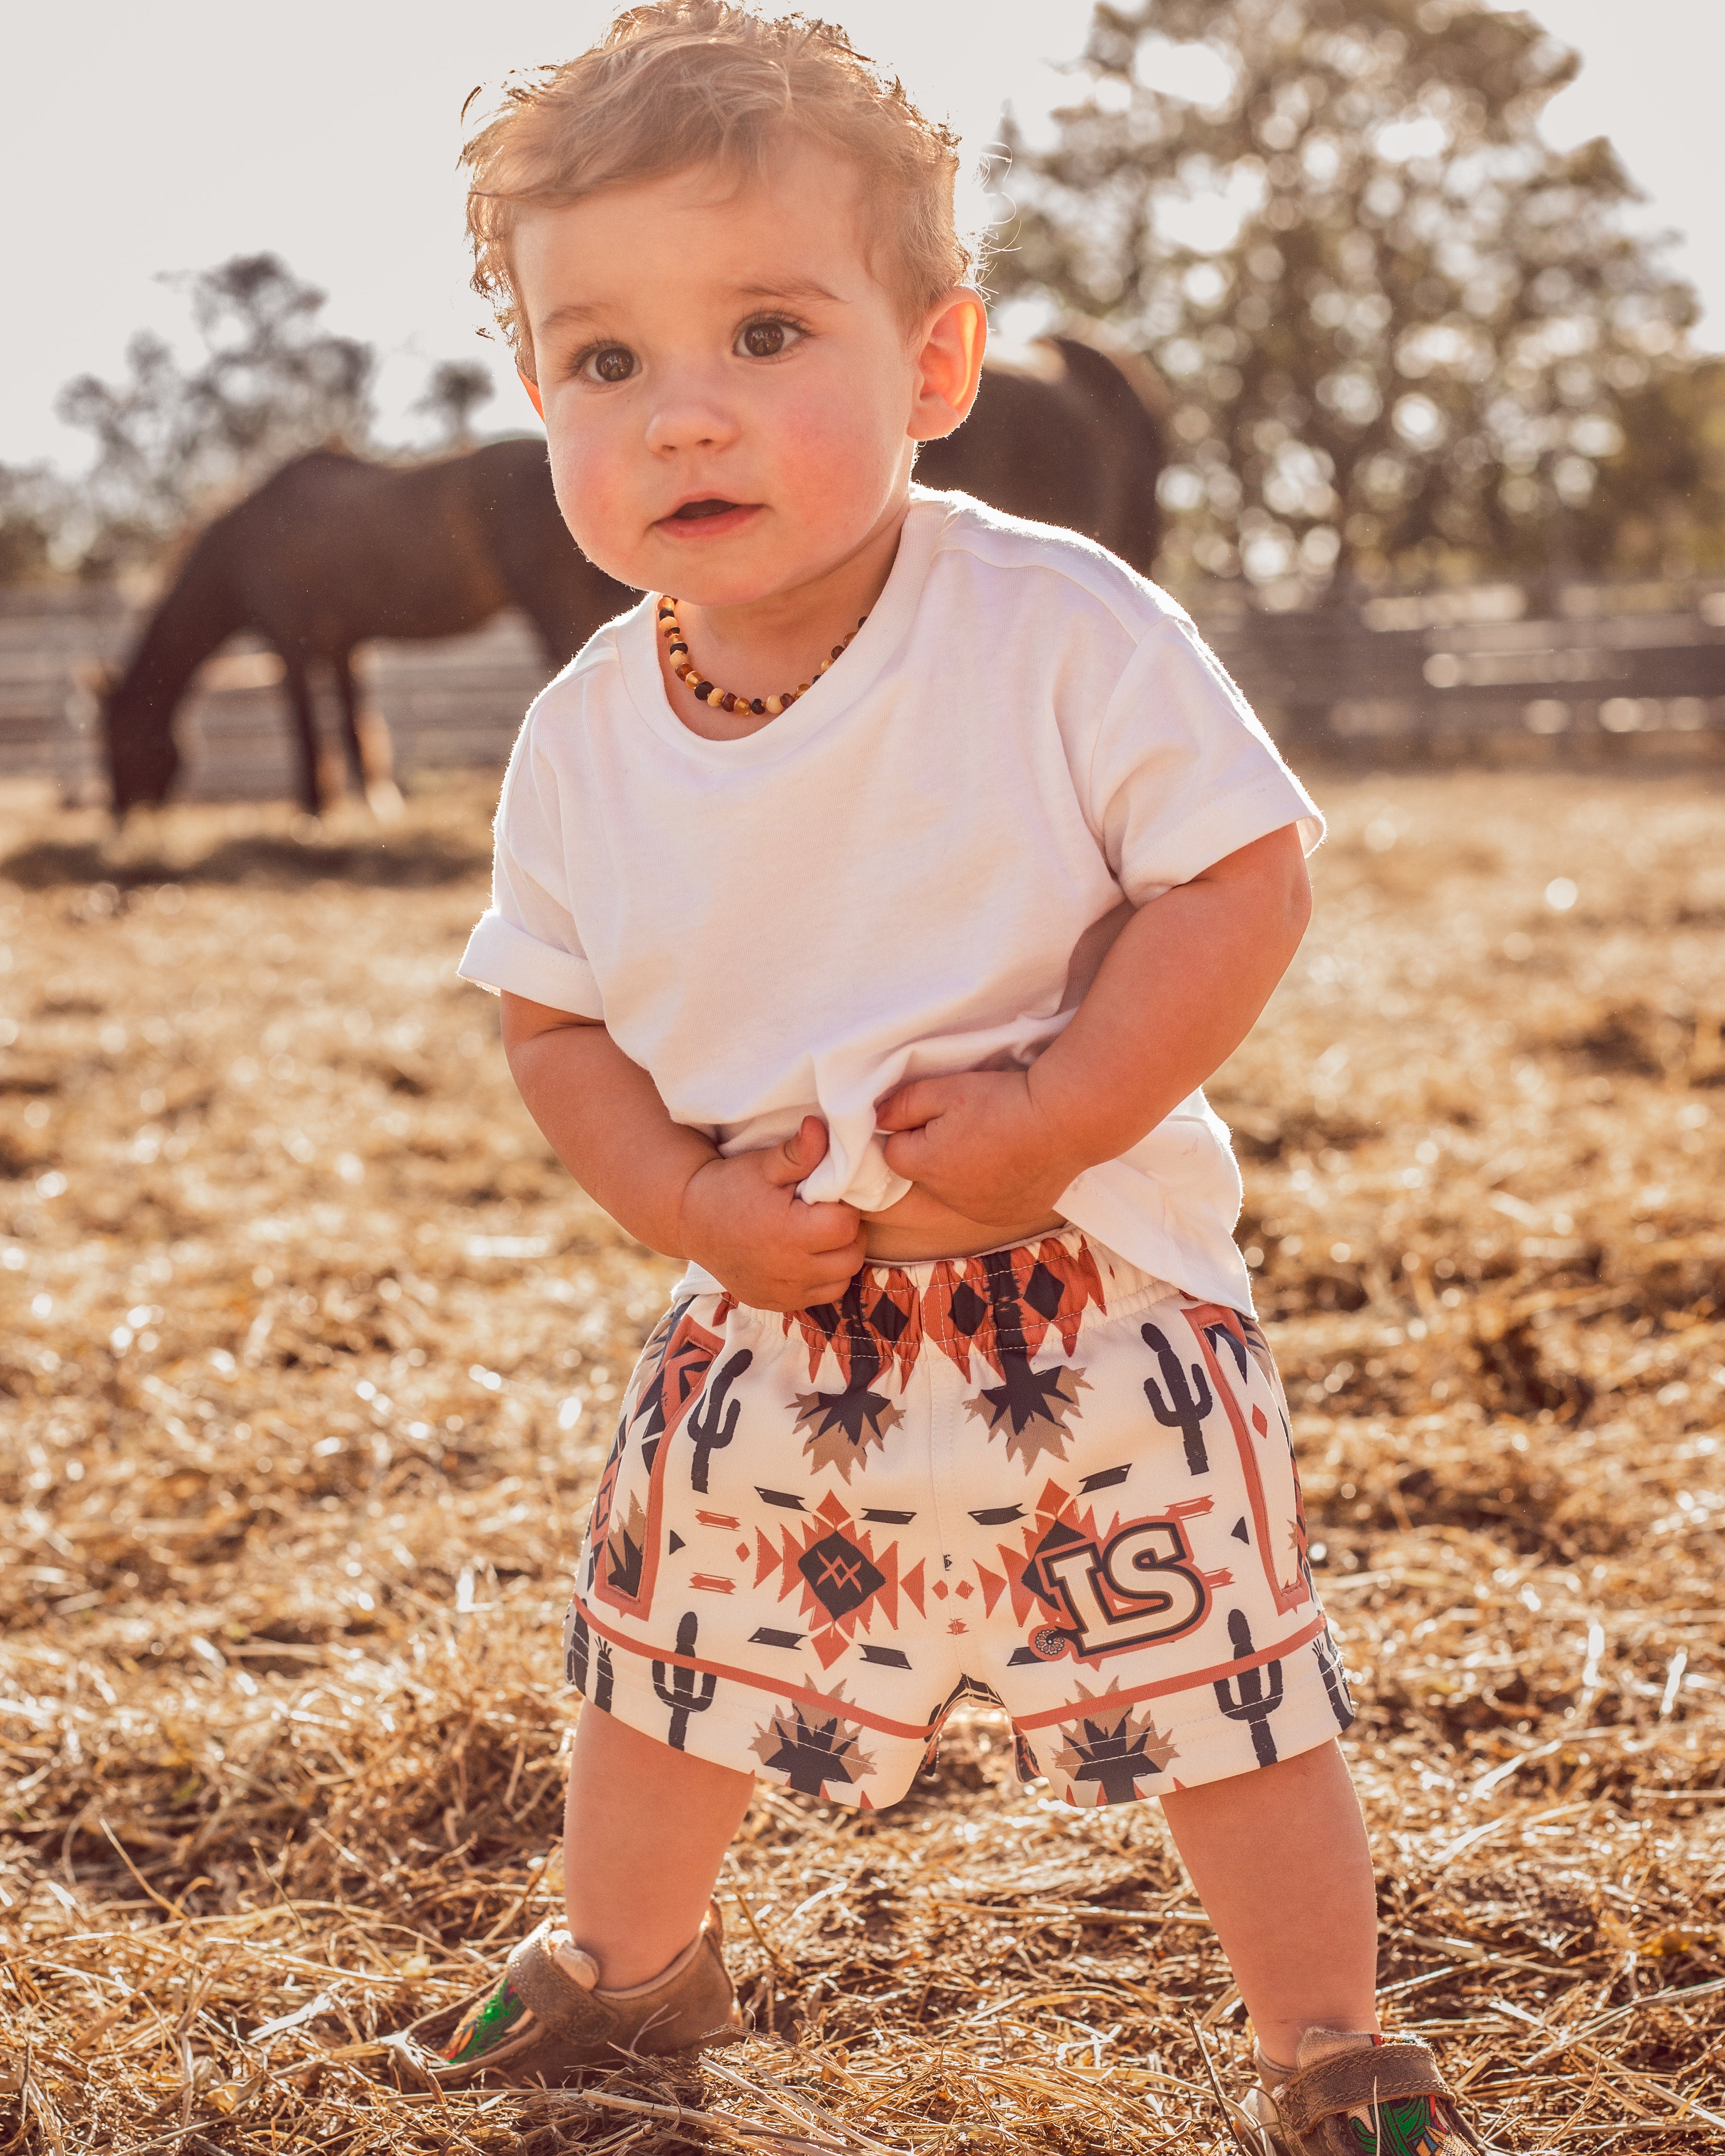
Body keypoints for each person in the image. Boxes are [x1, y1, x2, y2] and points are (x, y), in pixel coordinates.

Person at [388, 8, 1482, 2150]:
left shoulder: (1051, 627)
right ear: (536, 397)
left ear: (938, 369)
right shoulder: (584, 741)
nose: (681, 412)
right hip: (769, 1309)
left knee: (1226, 1684)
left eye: (768, 331)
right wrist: (687, 1212)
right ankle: (630, 1965)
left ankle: (1328, 2039)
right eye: (603, 362)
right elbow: (554, 1023)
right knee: (662, 1655)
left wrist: (1070, 1107)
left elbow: (1244, 877)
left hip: (1089, 1301)